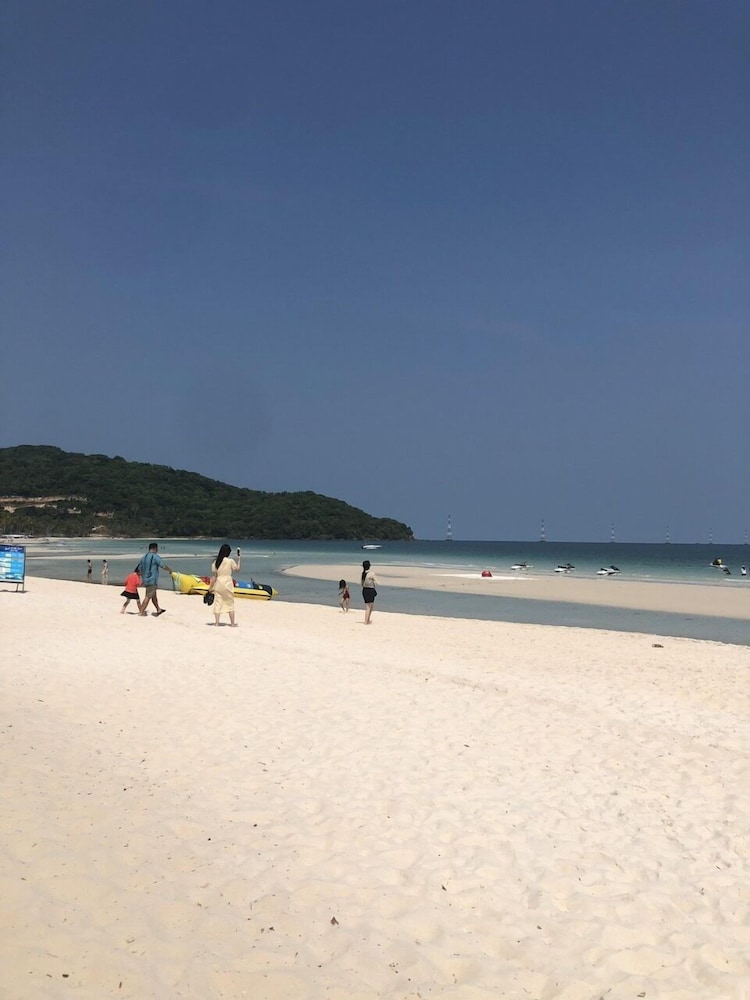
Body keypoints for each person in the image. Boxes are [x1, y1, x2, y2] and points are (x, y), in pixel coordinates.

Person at [137, 542, 173, 617]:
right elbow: (163, 566)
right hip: (152, 580)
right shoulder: (155, 557)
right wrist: (170, 570)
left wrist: (141, 577)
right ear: (155, 548)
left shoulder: (144, 557)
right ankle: (141, 612)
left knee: (153, 595)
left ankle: (158, 609)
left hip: (145, 579)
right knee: (148, 596)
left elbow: (139, 569)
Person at [209, 543, 240, 626]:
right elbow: (237, 569)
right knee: (230, 603)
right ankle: (232, 623)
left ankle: (217, 623)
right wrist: (239, 559)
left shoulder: (216, 562)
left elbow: (214, 577)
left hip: (218, 583)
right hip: (227, 583)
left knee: (218, 603)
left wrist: (210, 588)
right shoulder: (230, 561)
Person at [361, 559, 377, 625]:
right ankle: (366, 621)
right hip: (370, 590)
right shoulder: (371, 574)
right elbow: (376, 582)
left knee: (370, 606)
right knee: (369, 607)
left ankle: (367, 620)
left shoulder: (363, 574)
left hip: (365, 590)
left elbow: (361, 584)